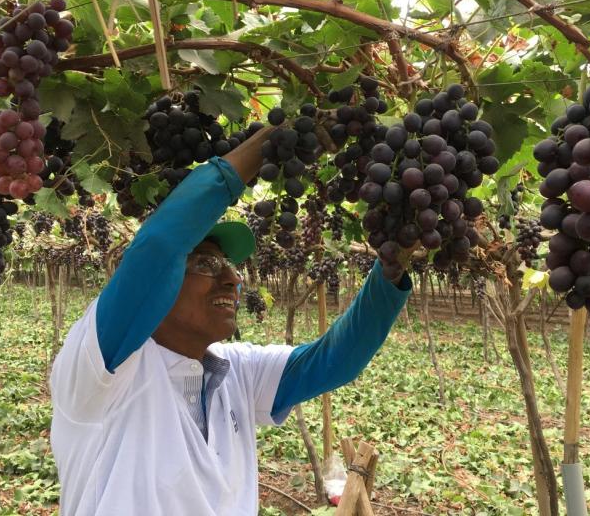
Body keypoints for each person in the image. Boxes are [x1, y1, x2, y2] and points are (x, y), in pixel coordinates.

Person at [49, 124, 413, 515]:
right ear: (161, 279)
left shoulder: (236, 370)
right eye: (206, 263)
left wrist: (391, 268)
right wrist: (270, 142)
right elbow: (160, 245)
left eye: (231, 265)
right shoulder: (103, 371)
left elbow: (335, 360)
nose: (232, 277)